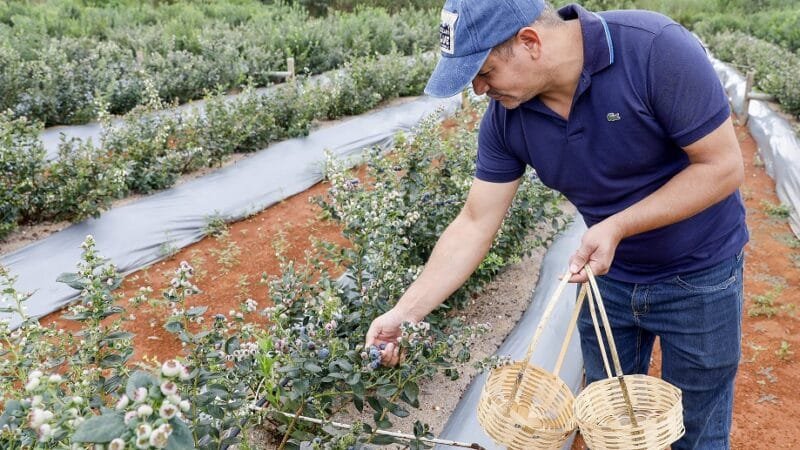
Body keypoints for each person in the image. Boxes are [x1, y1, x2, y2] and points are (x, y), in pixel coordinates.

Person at [364, 0, 748, 448]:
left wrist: (618, 225)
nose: (479, 89)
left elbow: (722, 167)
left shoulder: (653, 50)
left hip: (700, 276)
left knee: (695, 430)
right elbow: (473, 223)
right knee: (612, 429)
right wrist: (403, 315)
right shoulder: (507, 120)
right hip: (609, 282)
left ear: (529, 42)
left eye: (484, 72)